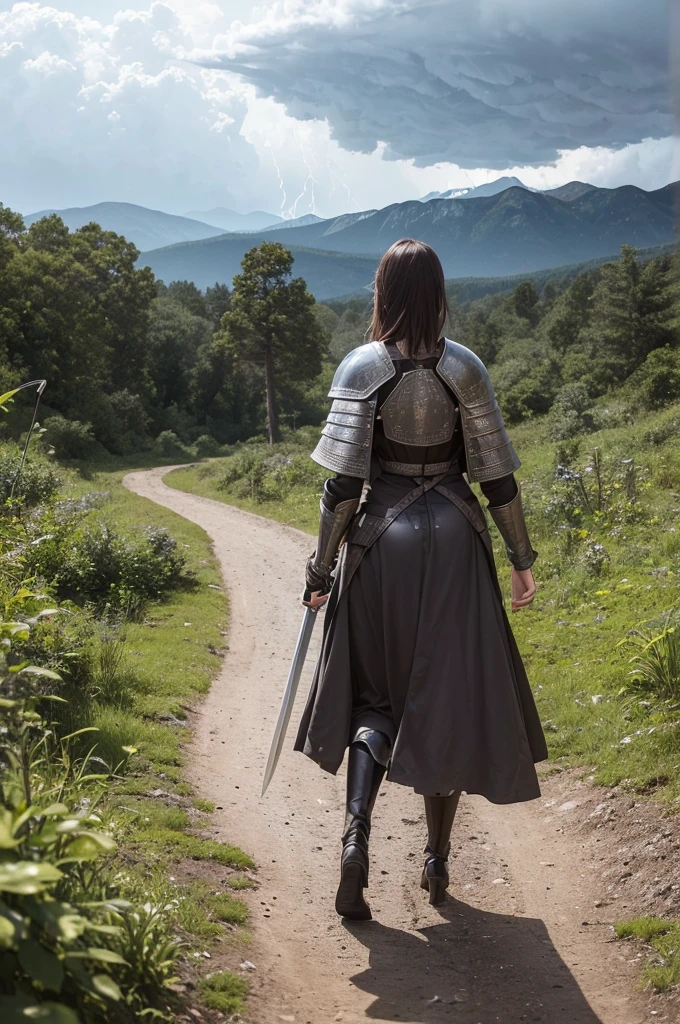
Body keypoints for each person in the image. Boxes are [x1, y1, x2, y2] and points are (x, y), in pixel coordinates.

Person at [294, 239, 547, 921]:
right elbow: (497, 476)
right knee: (448, 702)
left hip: (381, 546)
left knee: (376, 703)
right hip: (459, 545)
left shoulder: (361, 368)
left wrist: (320, 571)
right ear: (437, 291)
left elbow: (343, 486)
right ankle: (436, 859)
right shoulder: (465, 368)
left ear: (383, 290)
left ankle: (355, 837)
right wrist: (521, 560)